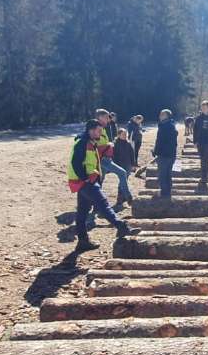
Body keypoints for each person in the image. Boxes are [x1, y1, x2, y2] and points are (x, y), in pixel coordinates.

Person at [68, 119, 140, 253]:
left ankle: (83, 242)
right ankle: (122, 227)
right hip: (86, 182)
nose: (100, 134)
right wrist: (86, 178)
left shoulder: (89, 142)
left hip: (84, 181)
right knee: (103, 204)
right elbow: (75, 163)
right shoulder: (83, 143)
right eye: (99, 131)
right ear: (91, 130)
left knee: (82, 212)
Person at [95, 108, 132, 208]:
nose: (109, 120)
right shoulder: (96, 128)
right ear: (100, 117)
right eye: (107, 117)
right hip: (103, 159)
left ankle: (96, 205)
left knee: (99, 181)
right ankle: (128, 197)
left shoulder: (103, 128)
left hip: (106, 158)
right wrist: (108, 145)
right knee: (122, 173)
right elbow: (95, 143)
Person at [152, 109, 179, 199]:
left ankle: (164, 193)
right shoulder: (170, 125)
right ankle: (167, 192)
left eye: (162, 114)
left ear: (167, 116)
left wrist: (156, 151)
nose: (160, 116)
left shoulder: (166, 126)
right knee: (167, 174)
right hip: (169, 154)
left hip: (165, 155)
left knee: (163, 174)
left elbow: (162, 142)